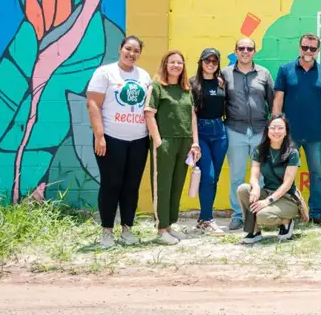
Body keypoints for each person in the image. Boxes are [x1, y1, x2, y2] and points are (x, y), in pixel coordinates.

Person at [86, 36, 152, 248]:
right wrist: (99, 135)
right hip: (111, 140)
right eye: (128, 49)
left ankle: (127, 230)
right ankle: (107, 232)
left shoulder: (143, 75)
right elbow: (93, 104)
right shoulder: (105, 72)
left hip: (139, 140)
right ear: (120, 48)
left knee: (131, 186)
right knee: (111, 184)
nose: (131, 54)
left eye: (136, 51)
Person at [273, 33, 321, 225]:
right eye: (305, 47)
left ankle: (316, 214)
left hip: (314, 135)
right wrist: (275, 127)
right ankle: (287, 213)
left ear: (318, 50)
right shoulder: (285, 70)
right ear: (299, 47)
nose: (308, 51)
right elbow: (278, 99)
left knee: (317, 175)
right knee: (285, 174)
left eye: (313, 48)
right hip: (289, 135)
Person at [144, 50, 200, 245]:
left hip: (185, 142)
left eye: (180, 62)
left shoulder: (187, 89)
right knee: (163, 185)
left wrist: (195, 143)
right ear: (165, 65)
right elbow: (149, 114)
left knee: (177, 185)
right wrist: (158, 141)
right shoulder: (157, 86)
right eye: (172, 62)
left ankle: (169, 226)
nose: (176, 65)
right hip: (165, 142)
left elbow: (192, 118)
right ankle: (161, 229)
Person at [223, 38, 275, 231]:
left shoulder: (264, 73)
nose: (245, 51)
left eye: (249, 48)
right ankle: (238, 214)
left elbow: (273, 101)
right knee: (236, 175)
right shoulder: (225, 74)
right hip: (235, 130)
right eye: (241, 48)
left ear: (254, 52)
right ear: (235, 51)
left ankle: (259, 214)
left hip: (260, 131)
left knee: (260, 177)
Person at [237, 114, 304, 244]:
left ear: (286, 131)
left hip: (287, 198)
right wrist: (256, 187)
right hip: (267, 191)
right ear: (267, 130)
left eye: (280, 128)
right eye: (273, 128)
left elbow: (287, 184)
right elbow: (254, 174)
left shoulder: (292, 152)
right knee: (243, 190)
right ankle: (254, 231)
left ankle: (287, 221)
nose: (276, 131)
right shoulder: (260, 150)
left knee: (263, 216)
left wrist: (267, 201)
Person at [190, 47, 228, 235]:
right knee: (208, 176)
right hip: (201, 132)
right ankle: (207, 219)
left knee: (215, 179)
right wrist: (195, 141)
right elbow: (191, 115)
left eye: (214, 62)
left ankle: (203, 219)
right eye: (207, 61)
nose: (210, 64)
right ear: (201, 62)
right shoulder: (192, 84)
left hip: (220, 131)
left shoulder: (222, 83)